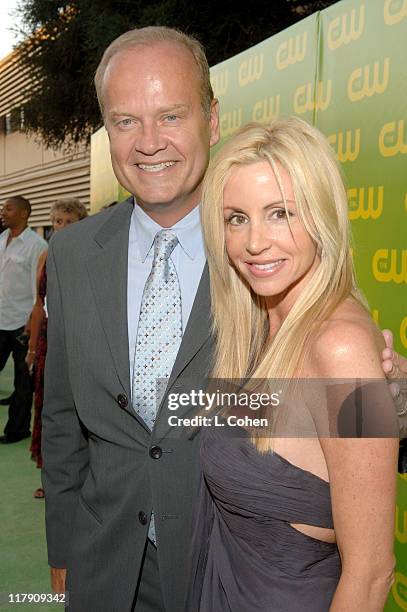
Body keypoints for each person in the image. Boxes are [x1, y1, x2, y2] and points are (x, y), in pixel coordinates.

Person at [42, 26, 406, 612]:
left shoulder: (257, 269)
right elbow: (63, 418)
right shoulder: (72, 252)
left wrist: (389, 393)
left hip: (212, 564)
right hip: (101, 560)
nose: (149, 142)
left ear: (211, 121)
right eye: (126, 120)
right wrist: (62, 547)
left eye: (171, 115)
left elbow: (335, 411)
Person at [186, 117, 399, 611]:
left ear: (323, 214)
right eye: (236, 218)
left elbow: (371, 573)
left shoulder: (342, 347)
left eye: (280, 213)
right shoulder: (254, 326)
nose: (254, 242)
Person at [27, 198, 88, 499]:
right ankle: (49, 477)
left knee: (84, 410)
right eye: (57, 222)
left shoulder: (90, 254)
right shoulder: (44, 257)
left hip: (81, 337)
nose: (62, 228)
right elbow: (39, 305)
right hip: (49, 340)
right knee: (47, 409)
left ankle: (86, 476)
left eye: (69, 222)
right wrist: (32, 350)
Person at [0, 196, 47, 444]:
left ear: (24, 213)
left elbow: (36, 290)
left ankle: (17, 429)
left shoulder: (36, 245)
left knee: (22, 382)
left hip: (21, 323)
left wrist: (32, 324)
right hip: (0, 319)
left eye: (8, 208)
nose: (3, 212)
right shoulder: (0, 240)